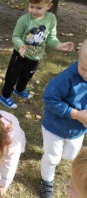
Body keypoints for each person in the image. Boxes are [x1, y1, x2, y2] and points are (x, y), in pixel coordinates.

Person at [0, 0, 74, 109]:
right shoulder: (24, 20)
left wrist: (59, 45)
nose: (33, 11)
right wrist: (20, 45)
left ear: (49, 6)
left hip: (36, 56)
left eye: (39, 8)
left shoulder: (51, 19)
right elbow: (16, 36)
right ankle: (5, 95)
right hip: (20, 55)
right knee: (13, 76)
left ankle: (19, 89)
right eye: (31, 6)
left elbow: (50, 37)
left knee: (27, 76)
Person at [40, 38, 87, 198]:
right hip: (55, 127)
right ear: (78, 60)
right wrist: (75, 114)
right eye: (83, 68)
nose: (86, 75)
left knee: (70, 156)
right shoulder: (67, 78)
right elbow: (49, 98)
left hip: (77, 131)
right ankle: (46, 181)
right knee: (52, 157)